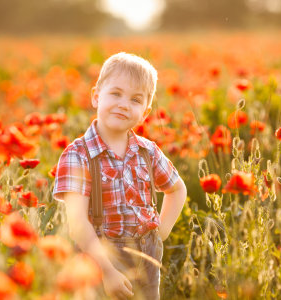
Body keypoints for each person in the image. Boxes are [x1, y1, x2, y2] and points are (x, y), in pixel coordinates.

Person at [52, 52, 187, 300]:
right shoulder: (78, 155)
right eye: (115, 94)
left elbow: (177, 190)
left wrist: (162, 232)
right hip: (99, 258)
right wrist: (108, 272)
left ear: (145, 113)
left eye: (135, 100)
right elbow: (78, 224)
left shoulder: (148, 151)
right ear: (96, 96)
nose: (124, 104)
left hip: (147, 254)